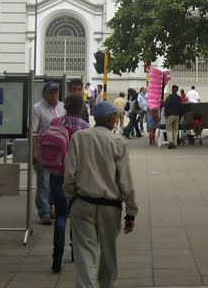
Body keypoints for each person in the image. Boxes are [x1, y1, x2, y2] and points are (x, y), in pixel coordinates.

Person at [64, 101, 138, 288]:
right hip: (110, 207)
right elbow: (125, 181)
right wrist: (130, 212)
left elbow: (69, 174)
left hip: (82, 203)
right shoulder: (117, 142)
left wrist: (72, 197)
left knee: (85, 253)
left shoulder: (79, 138)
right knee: (108, 253)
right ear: (111, 118)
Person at [44, 93, 90, 274]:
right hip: (77, 176)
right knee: (76, 215)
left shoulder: (56, 122)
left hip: (57, 173)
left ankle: (57, 254)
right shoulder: (85, 127)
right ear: (80, 109)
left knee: (61, 214)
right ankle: (74, 250)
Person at [31, 81, 65, 225]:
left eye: (55, 92)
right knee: (44, 183)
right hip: (43, 151)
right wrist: (34, 152)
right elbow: (32, 132)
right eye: (50, 92)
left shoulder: (62, 107)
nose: (53, 95)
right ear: (44, 93)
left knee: (56, 183)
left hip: (59, 152)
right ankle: (43, 212)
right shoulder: (37, 108)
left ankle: (52, 207)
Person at [163, 85, 183, 149]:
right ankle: (175, 143)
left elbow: (165, 105)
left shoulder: (170, 97)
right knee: (175, 130)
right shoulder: (179, 98)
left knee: (169, 129)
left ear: (172, 89)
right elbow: (180, 107)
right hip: (177, 116)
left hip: (170, 115)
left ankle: (170, 142)